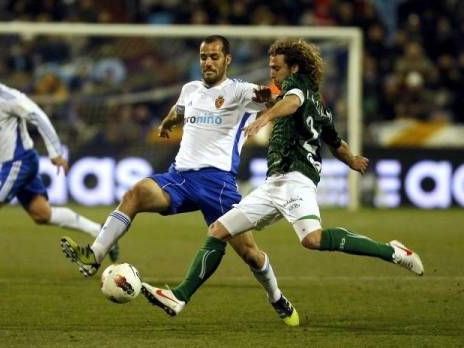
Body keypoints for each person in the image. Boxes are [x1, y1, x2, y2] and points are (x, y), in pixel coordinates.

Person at [141, 38, 424, 316]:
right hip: (273, 183)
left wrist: (265, 118)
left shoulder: (296, 89)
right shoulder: (320, 106)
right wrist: (352, 160)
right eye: (271, 67)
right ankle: (179, 297)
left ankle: (392, 251)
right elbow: (336, 142)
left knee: (312, 239)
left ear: (294, 69)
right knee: (218, 230)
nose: (272, 73)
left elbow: (290, 103)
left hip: (296, 180)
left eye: (276, 68)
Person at [60, 35, 299, 326]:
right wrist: (167, 123)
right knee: (135, 193)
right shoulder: (190, 89)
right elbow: (180, 110)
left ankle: (276, 297)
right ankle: (94, 255)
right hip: (179, 177)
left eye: (214, 56)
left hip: (217, 184)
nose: (208, 62)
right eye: (203, 57)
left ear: (228, 60)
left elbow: (270, 94)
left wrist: (284, 90)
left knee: (250, 254)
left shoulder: (240, 92)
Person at [0, 54, 117, 280]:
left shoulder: (8, 97)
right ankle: (99, 231)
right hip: (14, 163)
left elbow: (39, 116)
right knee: (42, 214)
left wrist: (55, 152)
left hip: (19, 161)